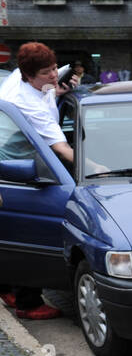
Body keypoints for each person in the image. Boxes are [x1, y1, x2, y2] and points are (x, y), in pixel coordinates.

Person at [0, 42, 80, 319]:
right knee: (23, 229)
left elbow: (45, 94)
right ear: (28, 75)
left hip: (21, 150)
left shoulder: (22, 79)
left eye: (55, 67)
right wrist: (98, 166)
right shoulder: (23, 103)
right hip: (13, 163)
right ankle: (28, 303)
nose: (54, 74)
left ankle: (7, 288)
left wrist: (55, 90)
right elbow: (62, 150)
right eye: (47, 72)